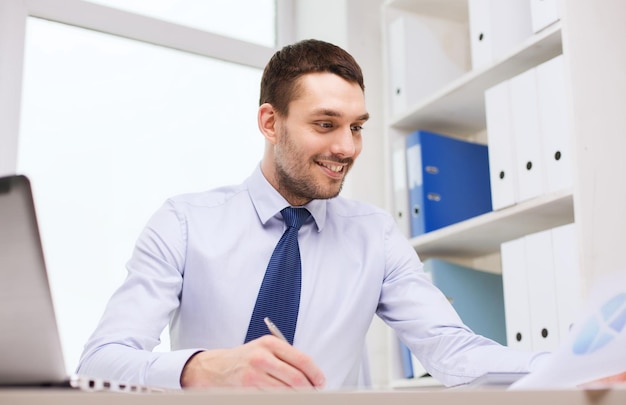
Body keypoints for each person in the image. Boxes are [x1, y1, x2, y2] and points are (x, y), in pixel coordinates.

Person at [77, 39, 548, 390]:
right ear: (269, 122)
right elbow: (101, 362)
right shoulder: (184, 223)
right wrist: (204, 367)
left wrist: (568, 366)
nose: (346, 147)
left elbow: (453, 351)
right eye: (325, 124)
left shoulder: (376, 235)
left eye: (356, 127)